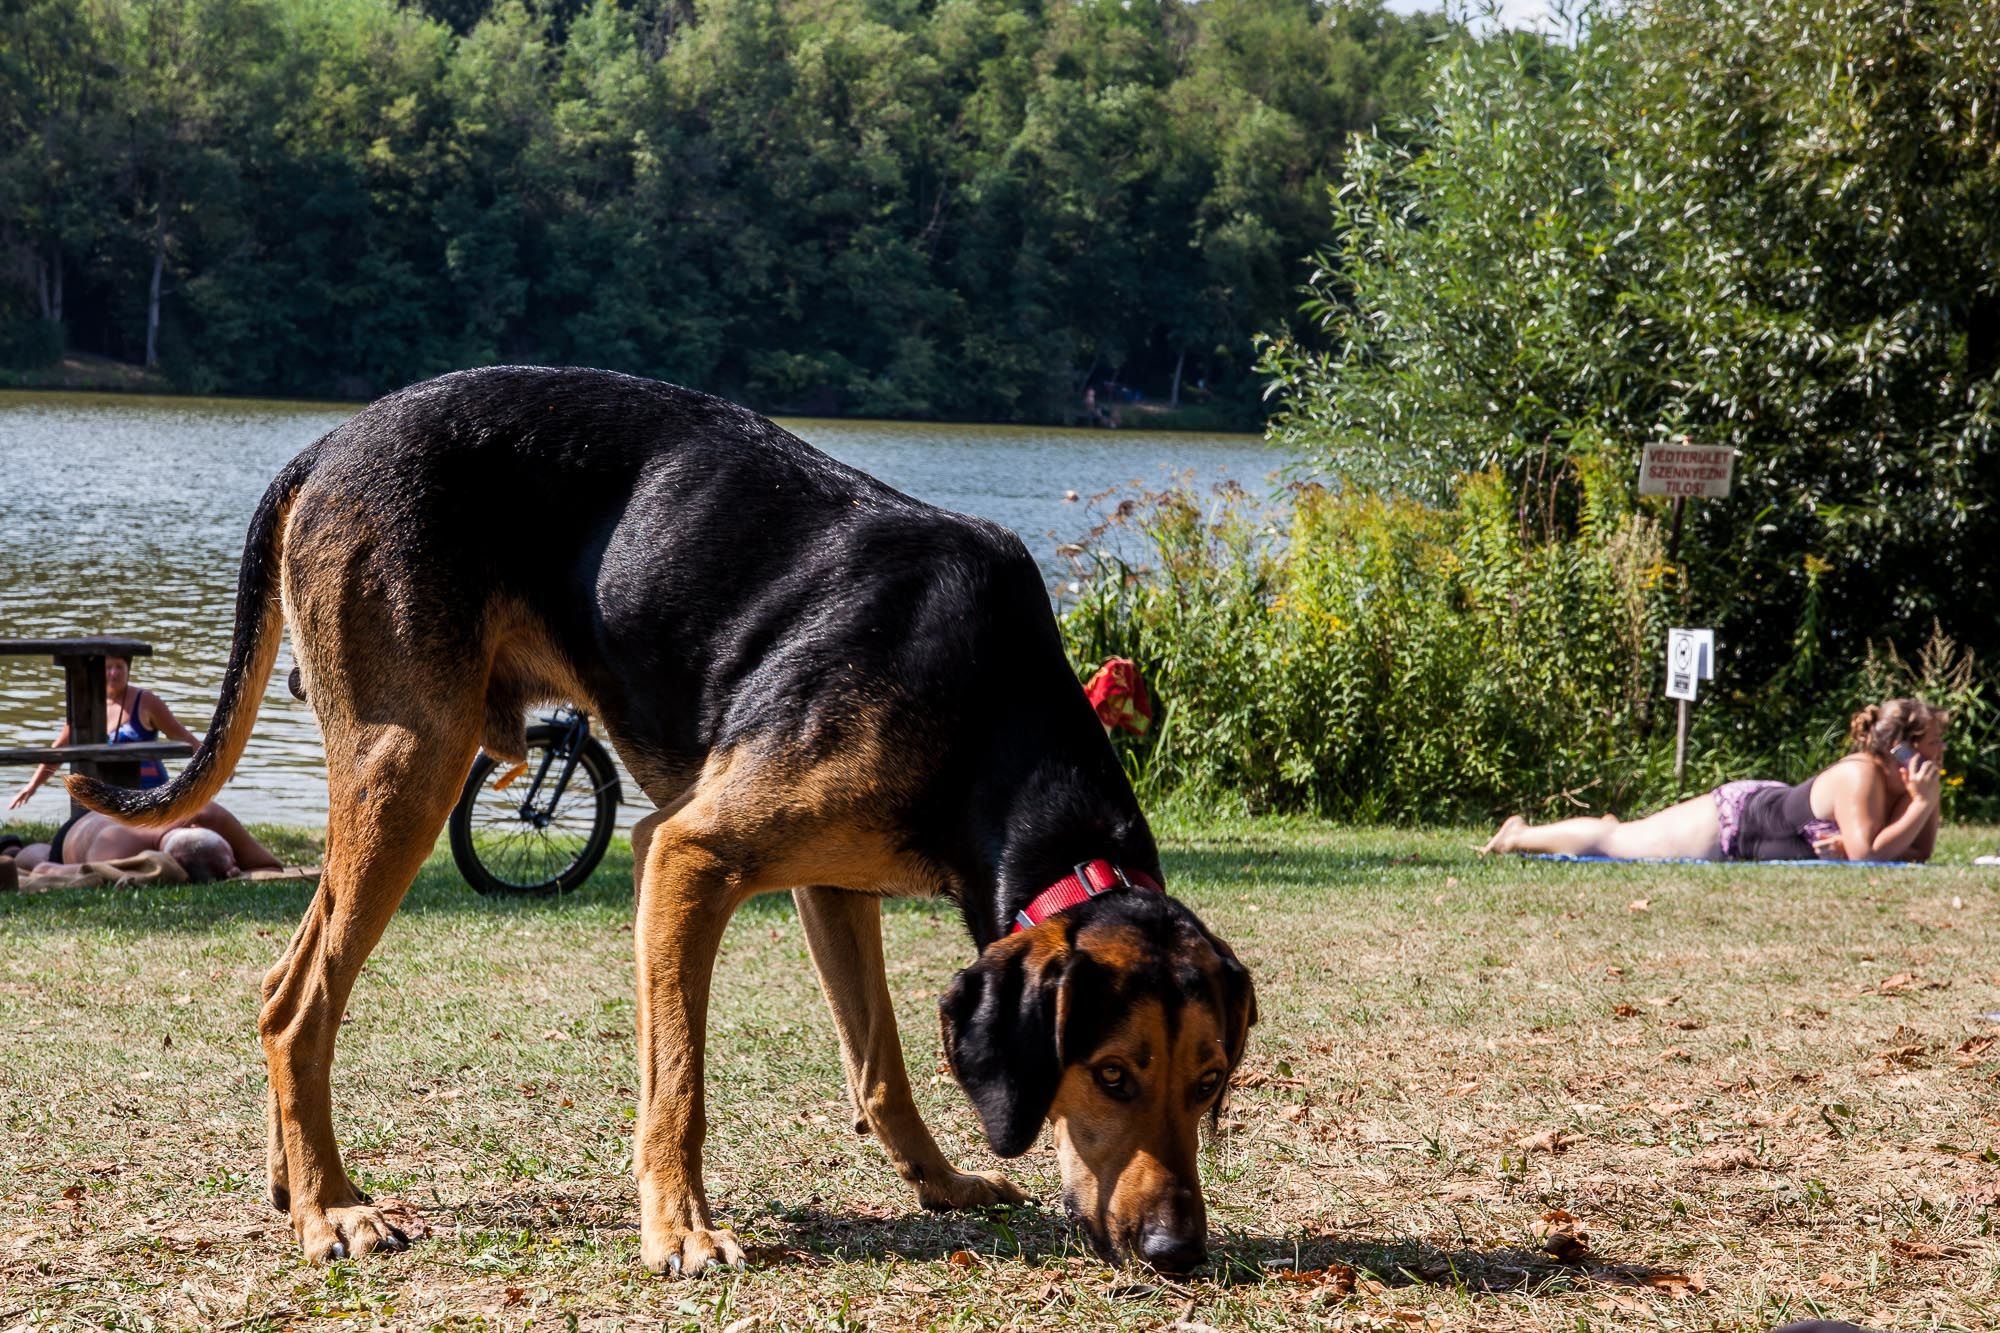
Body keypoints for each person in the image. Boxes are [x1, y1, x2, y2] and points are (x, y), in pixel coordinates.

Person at [1484, 698, 1946, 863]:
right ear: (1899, 747)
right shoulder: (1860, 776)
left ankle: (1630, 830)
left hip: (1760, 819)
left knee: (1627, 836)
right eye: (1932, 742)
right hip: (1732, 822)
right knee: (1615, 841)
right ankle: (1517, 836)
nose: (1940, 751)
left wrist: (1924, 800)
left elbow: (1916, 853)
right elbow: (1871, 855)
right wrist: (1921, 806)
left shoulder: (1907, 784)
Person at [8, 653, 201, 809]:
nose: (113, 673)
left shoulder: (146, 701)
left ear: (128, 669)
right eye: (108, 667)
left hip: (150, 792)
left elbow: (181, 735)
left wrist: (213, 763)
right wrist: (32, 786)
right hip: (107, 795)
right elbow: (59, 749)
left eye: (119, 666)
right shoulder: (86, 706)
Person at [10, 806, 276, 881]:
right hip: (76, 835)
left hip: (115, 810)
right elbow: (46, 868)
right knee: (38, 855)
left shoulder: (206, 814)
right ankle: (13, 850)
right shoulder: (111, 852)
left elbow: (270, 866)